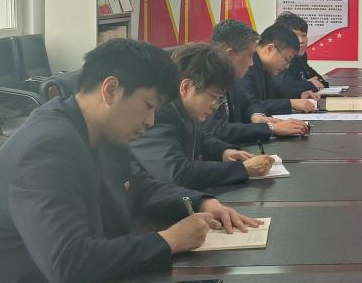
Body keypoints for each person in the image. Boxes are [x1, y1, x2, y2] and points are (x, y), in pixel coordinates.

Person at [0, 40, 258, 283]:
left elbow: (138, 187)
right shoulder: (49, 147)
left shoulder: (97, 129)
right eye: (148, 106)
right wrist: (168, 241)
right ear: (110, 90)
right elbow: (69, 262)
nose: (150, 121)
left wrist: (201, 202)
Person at [130, 44, 278, 189]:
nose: (215, 106)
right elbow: (177, 173)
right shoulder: (158, 115)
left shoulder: (183, 109)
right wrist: (242, 169)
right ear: (186, 87)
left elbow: (201, 137)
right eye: (213, 97)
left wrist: (223, 152)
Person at [206, 19, 307, 142]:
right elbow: (215, 130)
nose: (251, 63)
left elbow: (248, 103)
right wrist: (270, 128)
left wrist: (257, 116)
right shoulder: (204, 81)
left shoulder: (230, 78)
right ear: (230, 54)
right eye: (249, 56)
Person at [238, 22, 319, 119]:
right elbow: (248, 106)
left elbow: (275, 94)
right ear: (270, 49)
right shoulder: (246, 67)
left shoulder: (265, 66)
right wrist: (291, 103)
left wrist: (300, 95)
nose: (287, 66)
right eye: (287, 59)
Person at [274, 11, 329, 93]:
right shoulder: (276, 58)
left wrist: (307, 83)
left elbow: (319, 81)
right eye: (295, 36)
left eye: (304, 35)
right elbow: (283, 87)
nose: (301, 41)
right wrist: (307, 84)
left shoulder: (301, 56)